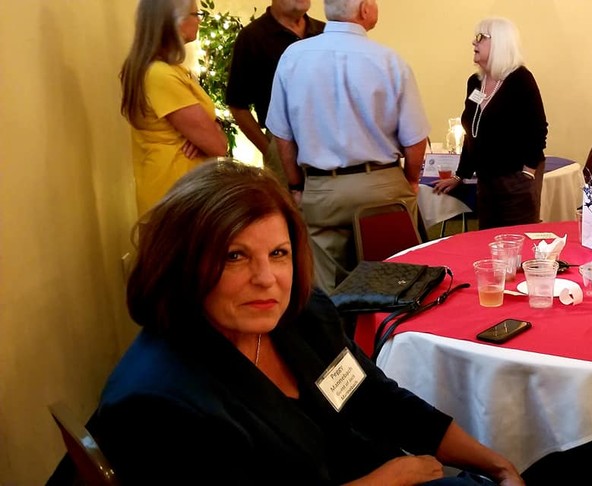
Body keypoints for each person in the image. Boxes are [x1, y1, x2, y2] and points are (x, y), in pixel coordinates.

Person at [88, 160, 524, 485]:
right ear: (180, 263)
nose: (266, 279)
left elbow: (376, 398)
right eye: (235, 256)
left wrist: (497, 464)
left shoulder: (298, 318)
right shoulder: (156, 404)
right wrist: (388, 479)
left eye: (278, 253)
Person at [267, 0, 429, 293]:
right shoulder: (389, 61)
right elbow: (415, 137)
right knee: (395, 281)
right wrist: (412, 179)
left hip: (322, 188)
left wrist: (296, 185)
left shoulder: (293, 57)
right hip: (381, 184)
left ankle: (335, 322)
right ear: (364, 10)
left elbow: (282, 135)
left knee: (326, 288)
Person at [432, 17, 548, 229]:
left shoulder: (520, 79)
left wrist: (528, 171)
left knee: (516, 239)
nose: (473, 42)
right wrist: (460, 175)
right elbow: (472, 133)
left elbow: (538, 128)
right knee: (488, 240)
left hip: (516, 180)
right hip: (486, 182)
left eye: (480, 37)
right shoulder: (475, 82)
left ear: (500, 43)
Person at [119, 0, 228, 215]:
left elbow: (212, 138)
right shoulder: (161, 75)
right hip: (177, 196)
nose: (199, 21)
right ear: (174, 22)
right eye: (195, 15)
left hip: (177, 192)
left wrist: (210, 128)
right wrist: (209, 133)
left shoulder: (169, 70)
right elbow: (218, 146)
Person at [225, 0, 325, 186]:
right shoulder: (252, 37)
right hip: (281, 141)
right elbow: (237, 105)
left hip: (328, 141)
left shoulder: (324, 32)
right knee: (288, 203)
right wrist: (270, 150)